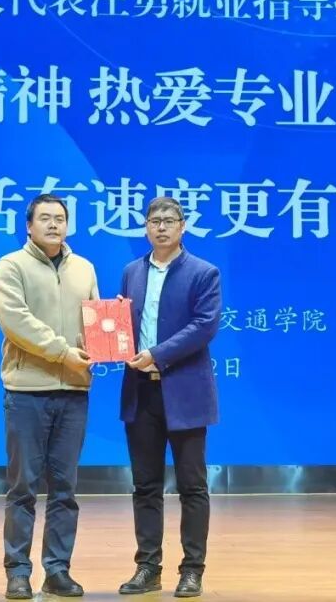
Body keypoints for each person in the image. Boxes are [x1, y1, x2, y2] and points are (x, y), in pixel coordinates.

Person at [0, 193, 98, 599]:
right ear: (29, 225)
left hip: (73, 392)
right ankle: (18, 572)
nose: (54, 224)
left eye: (60, 219)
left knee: (65, 490)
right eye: (45, 218)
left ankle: (58, 570)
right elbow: (16, 322)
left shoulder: (84, 268)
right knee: (23, 489)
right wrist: (63, 352)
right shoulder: (10, 266)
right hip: (27, 392)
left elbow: (95, 320)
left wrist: (111, 328)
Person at [116, 197, 222, 598]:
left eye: (169, 220)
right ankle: (148, 568)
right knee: (145, 485)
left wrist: (157, 354)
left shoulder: (203, 272)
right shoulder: (132, 272)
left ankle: (192, 570)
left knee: (192, 486)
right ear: (145, 227)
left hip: (185, 392)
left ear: (182, 226)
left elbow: (204, 326)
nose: (161, 227)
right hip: (141, 391)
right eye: (154, 221)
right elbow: (123, 325)